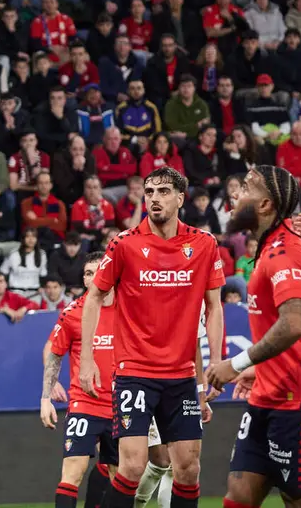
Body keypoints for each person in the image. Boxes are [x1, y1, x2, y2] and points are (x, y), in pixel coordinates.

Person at [78, 167, 223, 508]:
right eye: (150, 192)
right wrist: (86, 360)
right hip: (135, 372)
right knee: (131, 466)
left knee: (188, 469)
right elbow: (94, 297)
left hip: (182, 376)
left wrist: (216, 361)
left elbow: (214, 307)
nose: (155, 198)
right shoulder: (124, 244)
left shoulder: (204, 244)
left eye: (163, 191)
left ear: (180, 198)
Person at [212, 168, 301, 505]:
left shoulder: (284, 252)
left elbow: (293, 325)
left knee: (298, 499)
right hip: (266, 395)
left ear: (265, 204)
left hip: (300, 401)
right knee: (237, 496)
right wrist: (259, 368)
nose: (236, 194)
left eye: (246, 188)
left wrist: (236, 364)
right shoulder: (271, 246)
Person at [42, 252, 116, 508]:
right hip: (85, 404)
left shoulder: (130, 307)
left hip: (122, 405)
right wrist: (47, 395)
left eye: (98, 272)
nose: (93, 278)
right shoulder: (73, 312)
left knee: (121, 476)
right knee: (73, 470)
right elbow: (53, 351)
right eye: (88, 273)